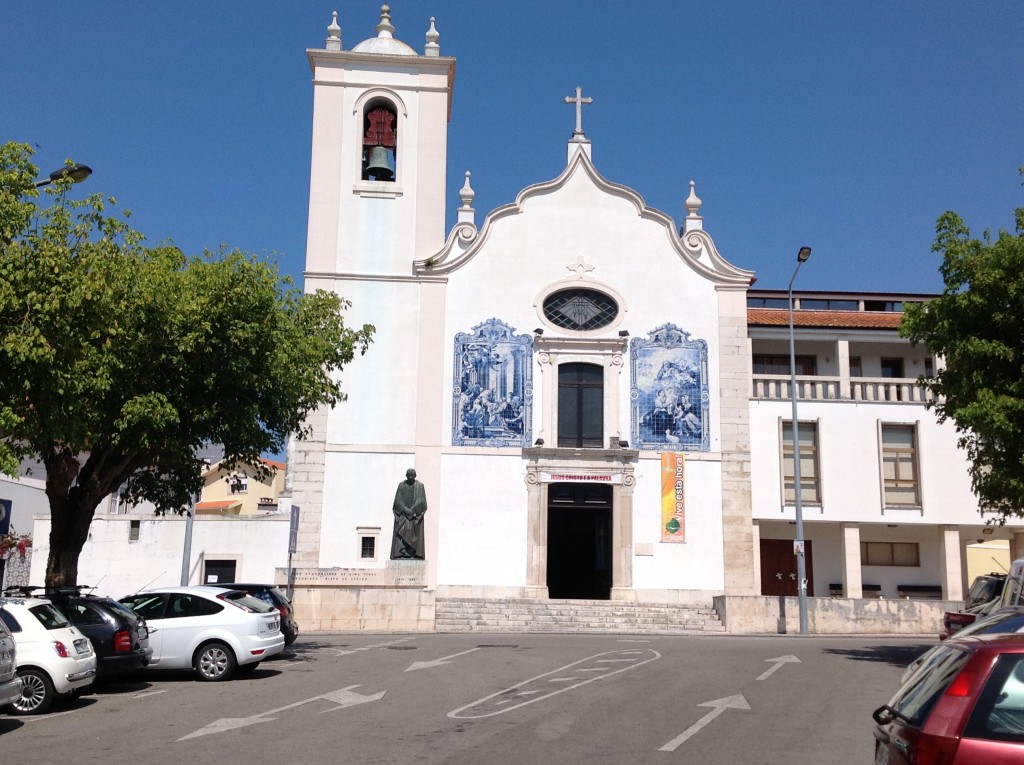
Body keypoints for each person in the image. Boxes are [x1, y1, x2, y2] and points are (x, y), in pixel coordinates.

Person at [391, 468, 427, 559]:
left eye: (412, 475)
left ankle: (413, 553)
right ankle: (401, 553)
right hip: (403, 515)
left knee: (414, 531)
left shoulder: (420, 486)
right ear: (406, 476)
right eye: (409, 475)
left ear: (415, 476)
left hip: (415, 516)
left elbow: (422, 502)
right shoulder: (401, 485)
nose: (410, 477)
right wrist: (405, 510)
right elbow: (397, 500)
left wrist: (412, 511)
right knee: (401, 529)